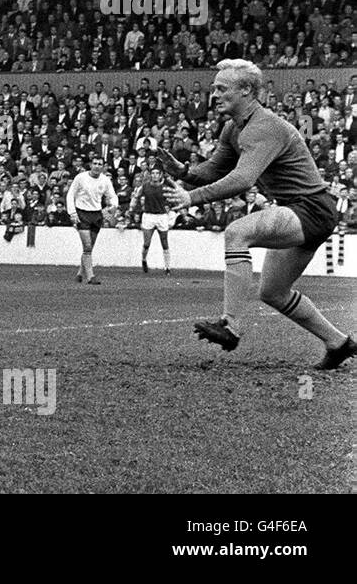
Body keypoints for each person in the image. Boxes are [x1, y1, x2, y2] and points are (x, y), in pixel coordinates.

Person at [160, 59, 356, 369]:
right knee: (273, 293)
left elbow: (242, 180)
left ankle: (230, 325)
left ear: (247, 90)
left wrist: (191, 198)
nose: (214, 94)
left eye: (222, 88)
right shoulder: (232, 128)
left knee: (238, 232)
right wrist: (184, 171)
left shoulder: (265, 127)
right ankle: (339, 343)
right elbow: (214, 168)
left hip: (311, 208)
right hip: (300, 209)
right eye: (214, 88)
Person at [66, 156, 118, 284]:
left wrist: (112, 207)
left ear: (103, 166)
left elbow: (112, 196)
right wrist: (72, 212)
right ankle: (91, 277)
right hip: (81, 213)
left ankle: (80, 273)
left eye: (100, 164)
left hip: (96, 214)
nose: (97, 166)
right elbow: (70, 194)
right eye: (94, 163)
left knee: (89, 247)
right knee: (87, 246)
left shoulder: (105, 180)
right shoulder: (81, 178)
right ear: (90, 164)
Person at [130, 167, 173, 274]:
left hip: (161, 216)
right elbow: (136, 196)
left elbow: (171, 199)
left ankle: (167, 267)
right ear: (150, 175)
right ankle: (144, 260)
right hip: (148, 216)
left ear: (160, 175)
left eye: (156, 173)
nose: (154, 175)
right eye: (152, 173)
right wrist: (132, 207)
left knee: (164, 242)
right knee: (147, 243)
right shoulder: (145, 186)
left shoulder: (165, 187)